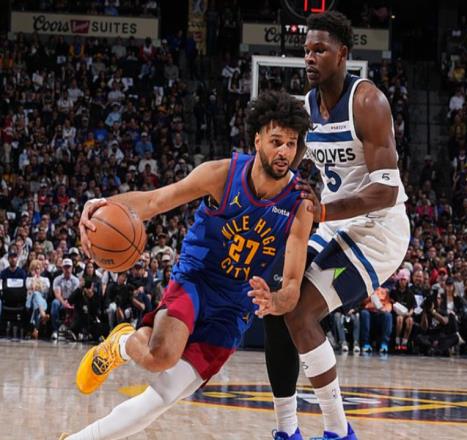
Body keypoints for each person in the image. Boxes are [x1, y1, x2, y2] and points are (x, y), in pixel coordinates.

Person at [59, 91, 313, 439]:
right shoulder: (222, 174)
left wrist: (275, 301)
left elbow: (293, 287)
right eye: (276, 141)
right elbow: (154, 201)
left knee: (163, 396)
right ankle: (120, 344)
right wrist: (101, 204)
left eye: (291, 144)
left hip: (234, 306)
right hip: (197, 278)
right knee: (161, 356)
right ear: (258, 140)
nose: (284, 151)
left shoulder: (300, 204)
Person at [259, 11, 409, 440]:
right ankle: (287, 429)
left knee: (302, 311)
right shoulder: (306, 108)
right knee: (277, 300)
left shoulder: (368, 102)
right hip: (334, 223)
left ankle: (339, 431)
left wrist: (322, 212)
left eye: (320, 50)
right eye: (307, 50)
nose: (310, 57)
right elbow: (284, 170)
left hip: (377, 231)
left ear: (342, 54)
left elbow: (386, 191)